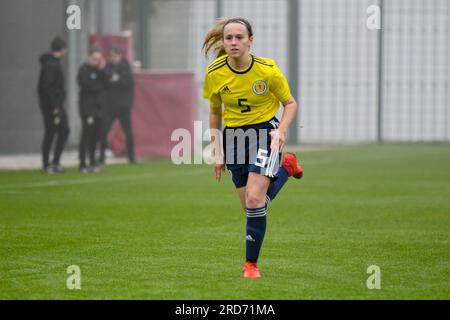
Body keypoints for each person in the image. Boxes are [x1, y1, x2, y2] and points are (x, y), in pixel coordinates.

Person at [202, 18, 304, 278]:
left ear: (250, 40)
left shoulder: (267, 70)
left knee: (255, 200)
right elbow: (215, 112)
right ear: (223, 42)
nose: (234, 42)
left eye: (239, 37)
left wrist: (280, 132)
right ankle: (286, 168)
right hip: (234, 137)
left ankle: (251, 265)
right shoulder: (214, 72)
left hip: (265, 133)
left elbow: (290, 103)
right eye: (229, 38)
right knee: (251, 207)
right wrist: (217, 151)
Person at [37, 36, 70, 173]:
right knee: (52, 132)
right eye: (65, 49)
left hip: (57, 104)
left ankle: (55, 162)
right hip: (52, 106)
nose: (66, 52)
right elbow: (46, 87)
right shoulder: (51, 65)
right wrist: (55, 106)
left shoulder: (53, 63)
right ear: (61, 49)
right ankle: (47, 165)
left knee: (63, 130)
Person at [99, 47, 136, 164]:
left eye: (114, 56)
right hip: (110, 106)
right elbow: (105, 82)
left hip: (123, 106)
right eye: (111, 56)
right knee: (104, 130)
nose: (112, 58)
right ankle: (101, 157)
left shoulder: (126, 67)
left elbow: (128, 84)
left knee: (127, 131)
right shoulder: (108, 68)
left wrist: (118, 80)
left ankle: (131, 157)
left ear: (120, 56)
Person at [77, 48, 107, 173]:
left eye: (99, 59)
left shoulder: (99, 72)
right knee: (86, 135)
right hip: (88, 108)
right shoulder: (83, 70)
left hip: (98, 108)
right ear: (89, 58)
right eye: (95, 59)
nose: (97, 62)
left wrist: (102, 71)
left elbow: (105, 85)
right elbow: (89, 87)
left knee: (95, 136)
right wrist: (97, 83)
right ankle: (83, 163)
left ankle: (92, 162)